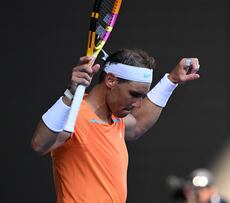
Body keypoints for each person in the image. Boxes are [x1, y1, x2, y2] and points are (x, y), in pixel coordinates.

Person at [31, 48, 200, 203]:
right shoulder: (75, 115)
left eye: (142, 96)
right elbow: (39, 144)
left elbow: (139, 124)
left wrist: (171, 80)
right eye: (134, 94)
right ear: (111, 80)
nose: (138, 104)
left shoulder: (117, 118)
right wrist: (70, 93)